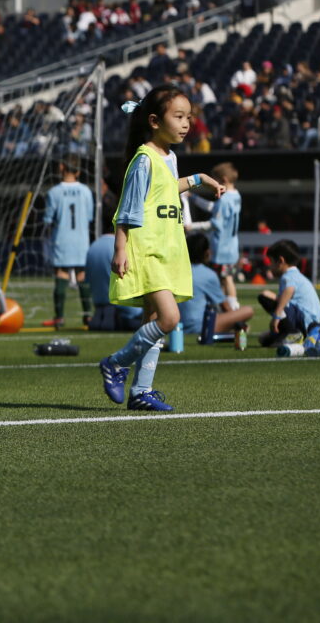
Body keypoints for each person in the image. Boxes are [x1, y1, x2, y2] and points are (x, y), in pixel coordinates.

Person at [100, 86, 223, 412]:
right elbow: (128, 207)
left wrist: (200, 179)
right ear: (154, 121)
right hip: (147, 249)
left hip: (168, 247)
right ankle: (116, 363)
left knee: (153, 319)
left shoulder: (169, 157)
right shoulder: (143, 159)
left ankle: (141, 391)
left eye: (189, 117)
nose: (186, 124)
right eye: (178, 116)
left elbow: (168, 188)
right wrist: (120, 248)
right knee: (169, 318)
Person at [42, 155, 95, 329]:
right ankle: (88, 316)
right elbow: (89, 217)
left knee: (61, 274)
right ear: (78, 171)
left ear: (61, 168)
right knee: (82, 275)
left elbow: (49, 219)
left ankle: (59, 317)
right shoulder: (86, 191)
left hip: (62, 239)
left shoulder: (54, 192)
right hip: (81, 240)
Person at [177, 234, 253, 349]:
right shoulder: (208, 274)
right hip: (200, 326)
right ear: (206, 252)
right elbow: (225, 306)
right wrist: (234, 321)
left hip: (176, 325)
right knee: (248, 310)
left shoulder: (176, 270)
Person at [189, 162, 242, 309]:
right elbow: (214, 208)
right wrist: (193, 198)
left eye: (215, 181)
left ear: (223, 180)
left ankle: (233, 309)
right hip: (231, 245)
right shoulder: (236, 196)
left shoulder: (224, 200)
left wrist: (192, 226)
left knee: (226, 279)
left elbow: (214, 223)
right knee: (225, 279)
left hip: (222, 247)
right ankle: (229, 308)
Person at [256, 239, 320, 348]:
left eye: (271, 261)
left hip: (303, 320)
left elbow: (289, 290)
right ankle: (290, 334)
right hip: (307, 322)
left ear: (280, 261)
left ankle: (292, 332)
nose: (270, 266)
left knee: (264, 296)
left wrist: (277, 316)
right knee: (264, 339)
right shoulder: (296, 275)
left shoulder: (288, 276)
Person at [84, 228, 142, 331]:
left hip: (100, 312)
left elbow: (87, 281)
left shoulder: (92, 247)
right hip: (125, 313)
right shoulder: (123, 247)